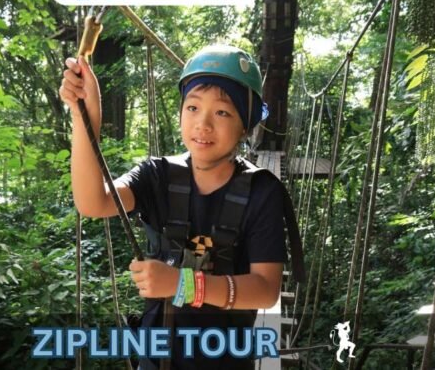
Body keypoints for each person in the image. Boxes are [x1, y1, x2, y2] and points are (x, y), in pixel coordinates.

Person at [59, 44, 298, 369]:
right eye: (193, 107)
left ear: (245, 125)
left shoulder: (262, 192)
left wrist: (183, 284)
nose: (203, 124)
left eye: (223, 112)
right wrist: (85, 118)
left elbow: (265, 290)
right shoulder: (156, 175)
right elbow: (94, 202)